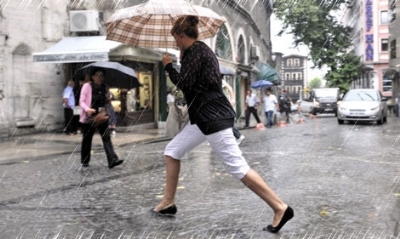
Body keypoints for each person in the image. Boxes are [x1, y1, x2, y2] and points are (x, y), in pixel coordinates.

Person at [153, 15, 293, 233]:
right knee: (172, 151)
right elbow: (196, 82)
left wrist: (169, 66)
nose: (175, 43)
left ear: (181, 35)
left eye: (176, 38)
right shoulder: (196, 52)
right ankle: (168, 202)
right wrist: (181, 58)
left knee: (238, 167)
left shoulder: (196, 51)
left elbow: (185, 84)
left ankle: (280, 207)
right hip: (204, 118)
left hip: (212, 118)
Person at [79, 68, 124, 169]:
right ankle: (85, 160)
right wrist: (87, 109)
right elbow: (81, 101)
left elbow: (107, 102)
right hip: (89, 117)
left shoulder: (105, 87)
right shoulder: (87, 86)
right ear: (93, 76)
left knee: (106, 138)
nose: (100, 78)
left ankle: (112, 159)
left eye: (102, 75)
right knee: (87, 139)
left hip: (102, 116)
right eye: (98, 75)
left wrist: (108, 99)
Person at [222, 79, 245, 145]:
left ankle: (238, 136)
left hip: (224, 105)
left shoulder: (220, 80)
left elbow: (230, 88)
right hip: (222, 105)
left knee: (225, 123)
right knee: (223, 123)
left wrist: (233, 99)